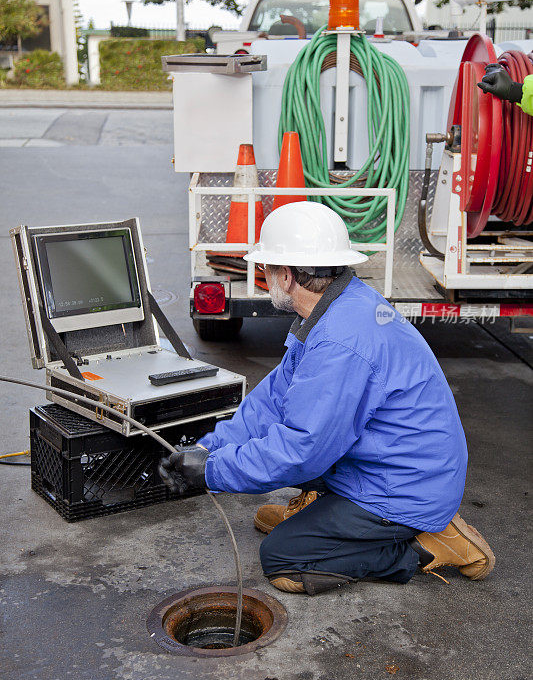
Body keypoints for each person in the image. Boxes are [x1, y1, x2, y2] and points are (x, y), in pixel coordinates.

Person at [159, 202, 495, 595]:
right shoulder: (334, 308)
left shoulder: (340, 341)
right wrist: (206, 448)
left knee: (284, 559)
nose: (265, 278)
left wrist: (212, 472)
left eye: (267, 269)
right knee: (282, 446)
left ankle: (426, 546)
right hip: (392, 461)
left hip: (404, 488)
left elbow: (302, 449)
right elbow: (271, 403)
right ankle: (326, 515)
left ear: (286, 275)